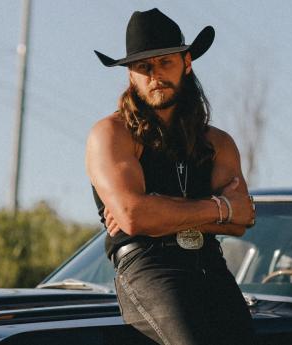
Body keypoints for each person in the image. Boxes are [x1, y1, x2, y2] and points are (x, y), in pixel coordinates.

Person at [85, 8, 257, 345]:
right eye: (143, 67)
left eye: (165, 63)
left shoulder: (217, 143)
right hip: (148, 264)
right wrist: (219, 208)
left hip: (210, 263)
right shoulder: (111, 134)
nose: (155, 75)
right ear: (130, 75)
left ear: (186, 63)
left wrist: (160, 209)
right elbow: (135, 217)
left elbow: (243, 218)